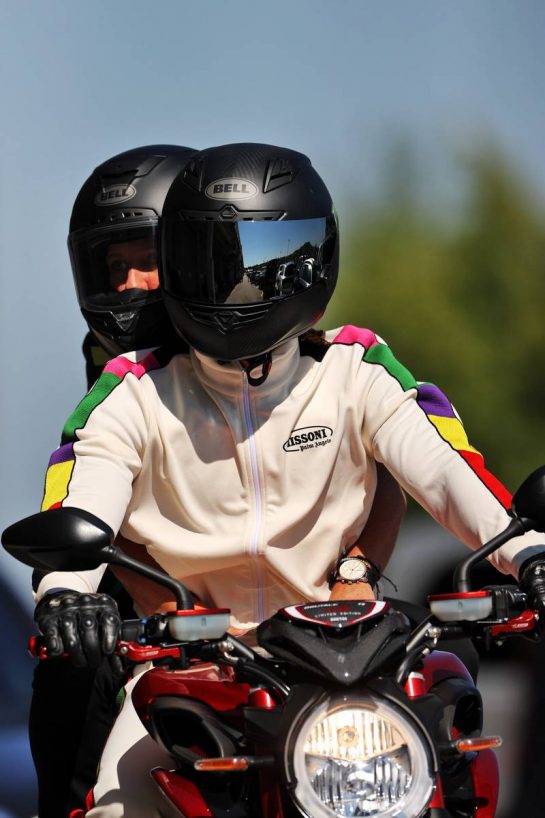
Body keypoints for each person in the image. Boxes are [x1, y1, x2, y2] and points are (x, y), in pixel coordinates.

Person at [26, 141, 545, 818]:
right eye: (206, 259)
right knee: (118, 805)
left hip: (358, 661)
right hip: (194, 670)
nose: (241, 283)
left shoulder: (357, 371)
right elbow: (83, 498)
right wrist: (66, 593)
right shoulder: (132, 396)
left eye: (263, 258)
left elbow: (450, 473)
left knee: (459, 779)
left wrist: (527, 553)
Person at [29, 143, 198, 818]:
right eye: (114, 265)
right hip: (167, 616)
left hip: (304, 610)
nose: (128, 283)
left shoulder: (313, 355)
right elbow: (81, 477)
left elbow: (396, 460)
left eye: (147, 260)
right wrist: (64, 593)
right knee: (75, 666)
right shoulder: (113, 377)